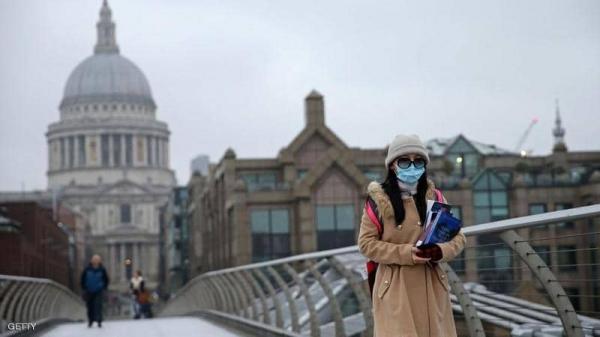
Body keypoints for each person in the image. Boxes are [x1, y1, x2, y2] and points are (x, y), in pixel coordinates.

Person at [358, 134, 466, 337]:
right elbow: (366, 244)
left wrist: (438, 251)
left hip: (432, 286)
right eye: (405, 161)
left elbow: (458, 237)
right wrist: (406, 253)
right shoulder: (378, 201)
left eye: (418, 161)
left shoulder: (435, 197)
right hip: (396, 289)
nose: (412, 166)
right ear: (392, 165)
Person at [80, 254, 109, 328]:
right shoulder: (87, 269)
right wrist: (84, 287)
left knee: (98, 305)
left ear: (99, 261)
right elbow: (82, 279)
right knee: (90, 306)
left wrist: (104, 287)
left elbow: (106, 279)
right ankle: (91, 320)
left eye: (97, 260)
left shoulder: (102, 269)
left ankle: (99, 320)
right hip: (89, 290)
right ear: (91, 260)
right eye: (94, 259)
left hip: (99, 290)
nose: (95, 261)